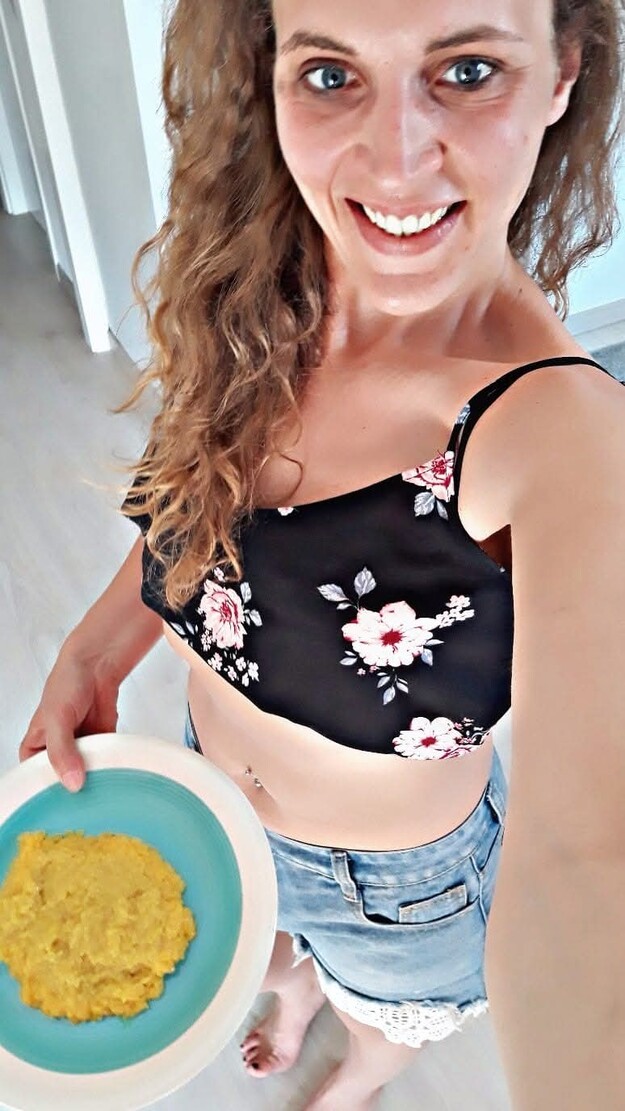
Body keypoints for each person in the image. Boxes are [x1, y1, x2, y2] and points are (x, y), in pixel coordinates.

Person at [19, 0, 625, 1107]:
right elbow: (191, 512)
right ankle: (299, 989)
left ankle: (351, 1079)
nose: (393, 161)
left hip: (395, 891)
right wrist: (95, 651)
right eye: (332, 74)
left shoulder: (559, 436)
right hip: (210, 787)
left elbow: (587, 869)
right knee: (274, 959)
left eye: (468, 70)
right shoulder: (255, 290)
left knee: (380, 1019)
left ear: (560, 73)